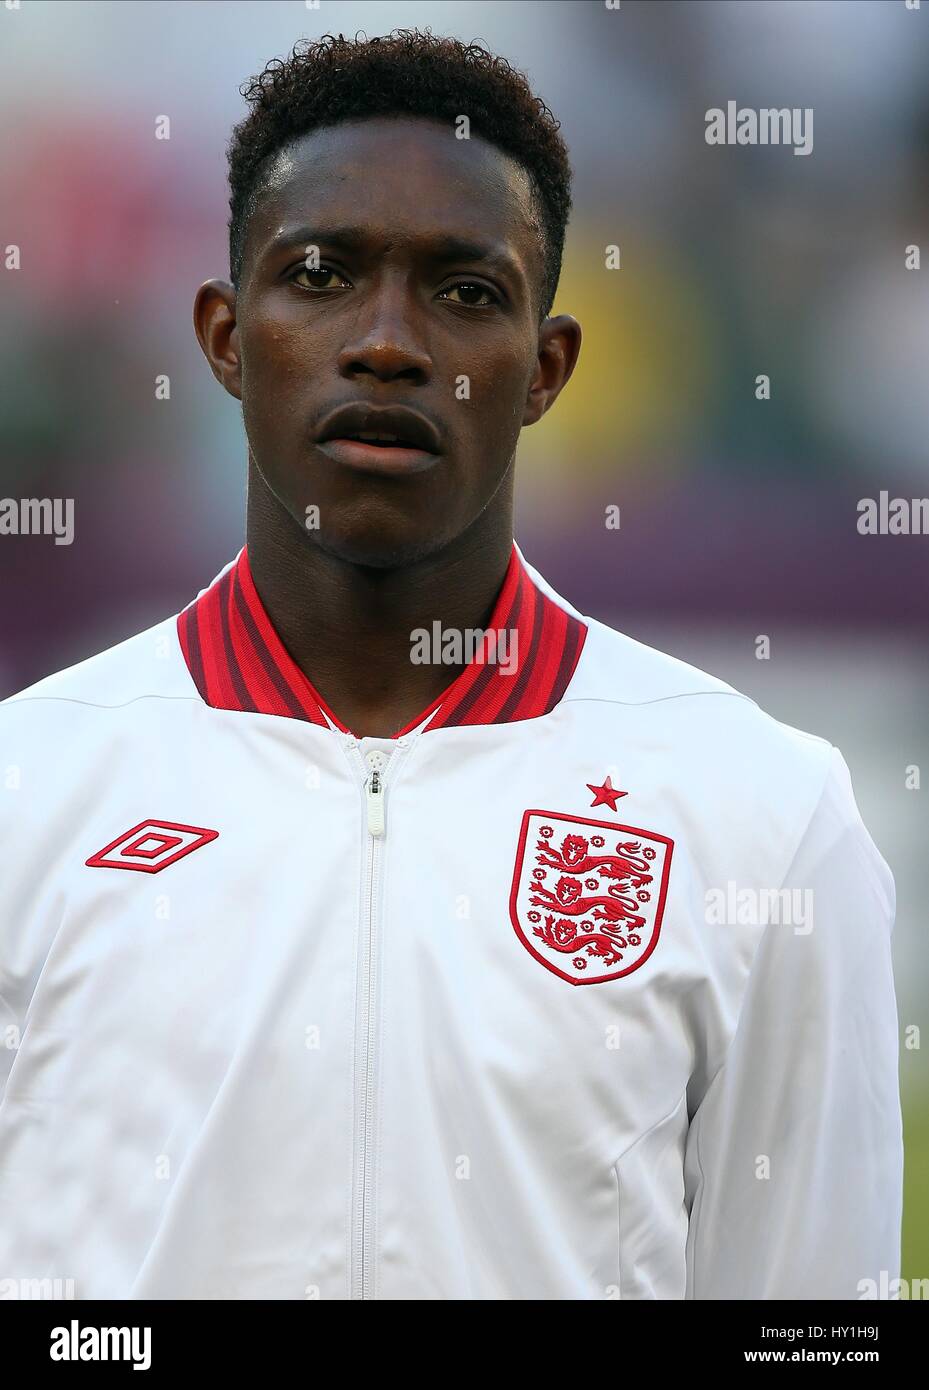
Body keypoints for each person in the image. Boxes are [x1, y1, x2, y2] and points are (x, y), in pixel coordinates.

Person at [0, 30, 902, 1300]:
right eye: (317, 274)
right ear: (221, 337)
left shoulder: (763, 816)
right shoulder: (29, 791)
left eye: (464, 291)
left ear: (545, 369)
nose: (385, 343)